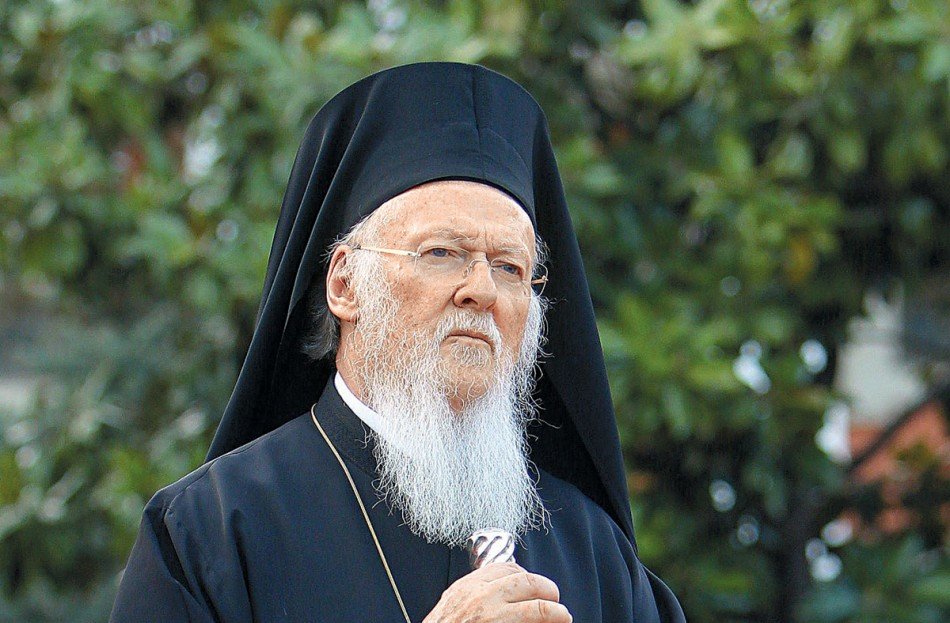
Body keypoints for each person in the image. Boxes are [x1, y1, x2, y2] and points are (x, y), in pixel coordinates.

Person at [110, 62, 685, 623]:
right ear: (345, 284)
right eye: (442, 253)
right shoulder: (210, 535)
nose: (481, 290)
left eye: (510, 267)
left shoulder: (598, 555)